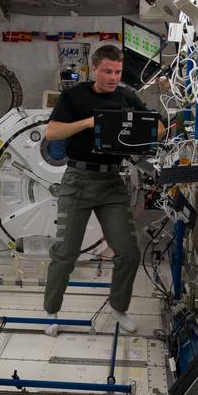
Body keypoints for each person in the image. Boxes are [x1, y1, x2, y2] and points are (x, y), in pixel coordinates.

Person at [42, 43, 160, 336]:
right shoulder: (74, 96)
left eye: (117, 72)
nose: (113, 77)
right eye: (107, 71)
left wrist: (134, 128)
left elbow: (158, 128)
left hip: (112, 183)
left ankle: (119, 308)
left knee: (129, 253)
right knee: (65, 253)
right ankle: (51, 311)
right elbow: (52, 132)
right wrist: (89, 123)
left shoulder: (126, 96)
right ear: (94, 69)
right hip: (78, 181)